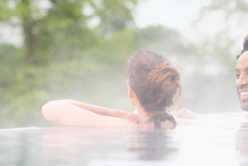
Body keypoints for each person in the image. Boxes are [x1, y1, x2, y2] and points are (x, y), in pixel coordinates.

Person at [42, 49, 196, 129]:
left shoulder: (130, 127)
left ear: (131, 92)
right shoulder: (182, 119)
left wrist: (121, 114)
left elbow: (50, 108)